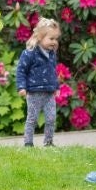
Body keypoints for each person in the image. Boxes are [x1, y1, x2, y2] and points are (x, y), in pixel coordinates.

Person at [16, 17, 61, 147]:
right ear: (40, 37)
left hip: (49, 93)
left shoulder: (52, 54)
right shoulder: (29, 53)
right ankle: (28, 143)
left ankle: (48, 142)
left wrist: (56, 87)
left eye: (55, 39)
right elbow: (21, 70)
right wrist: (21, 87)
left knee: (51, 118)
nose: (54, 42)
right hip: (34, 93)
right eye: (51, 39)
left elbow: (53, 71)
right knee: (32, 119)